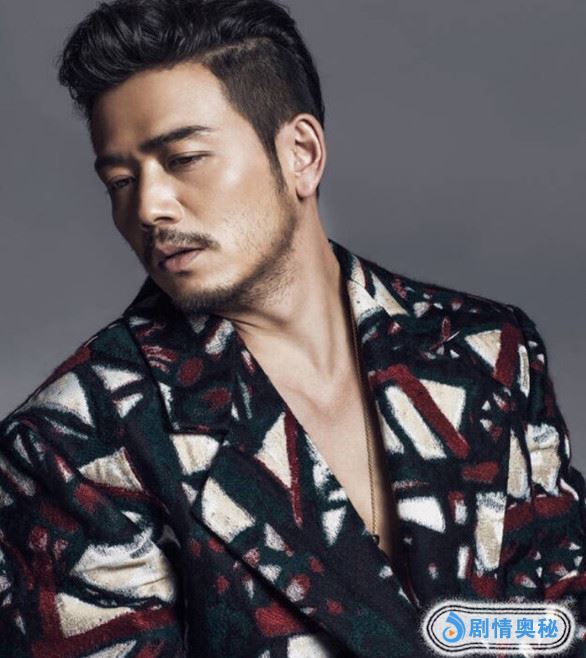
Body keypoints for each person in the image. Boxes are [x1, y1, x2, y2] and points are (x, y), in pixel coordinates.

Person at [1, 0, 584, 656]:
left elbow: (557, 619)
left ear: (301, 154)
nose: (149, 207)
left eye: (184, 158)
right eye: (120, 181)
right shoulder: (69, 444)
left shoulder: (488, 351)